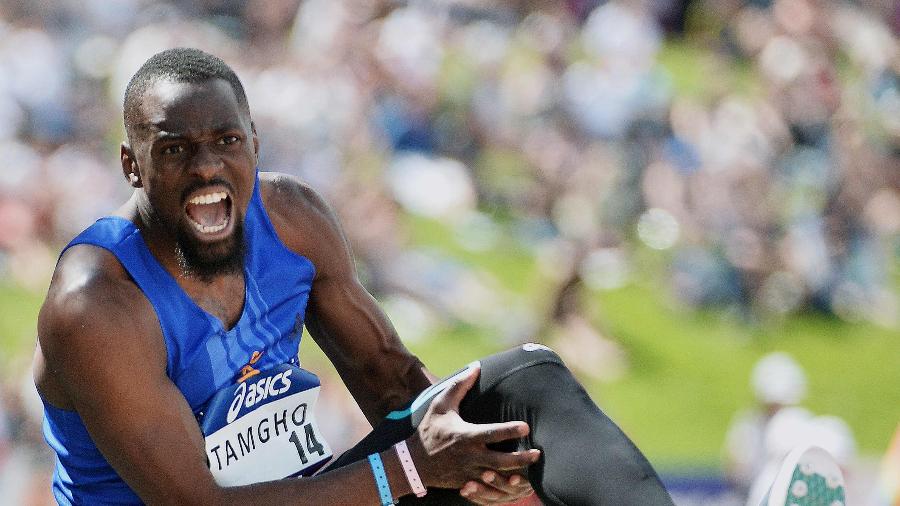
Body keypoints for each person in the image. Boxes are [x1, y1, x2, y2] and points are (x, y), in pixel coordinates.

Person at [33, 47, 674, 505]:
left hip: (311, 491)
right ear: (132, 165)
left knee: (523, 385)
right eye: (174, 150)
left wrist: (476, 470)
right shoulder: (96, 302)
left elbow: (391, 380)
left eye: (225, 142)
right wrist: (409, 469)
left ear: (254, 142)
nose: (206, 169)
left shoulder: (292, 221)